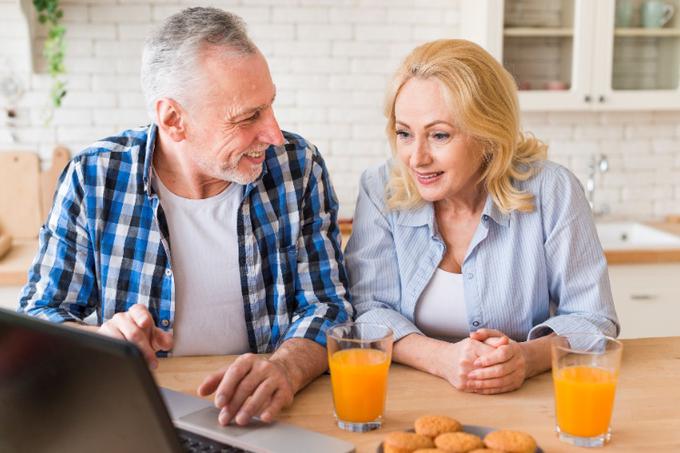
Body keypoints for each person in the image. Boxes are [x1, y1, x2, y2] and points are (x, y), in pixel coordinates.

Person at [18, 7, 352, 426]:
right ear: (173, 119)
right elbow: (38, 315)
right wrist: (103, 342)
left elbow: (328, 306)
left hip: (264, 415)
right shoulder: (94, 176)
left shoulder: (297, 166)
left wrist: (285, 367)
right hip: (138, 413)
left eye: (269, 106)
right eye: (248, 117)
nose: (274, 133)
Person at [344, 39, 619, 395]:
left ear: (488, 134)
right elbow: (366, 309)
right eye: (404, 134)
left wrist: (528, 357)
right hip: (406, 397)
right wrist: (440, 358)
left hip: (527, 398)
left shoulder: (553, 189)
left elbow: (593, 317)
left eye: (439, 135)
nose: (416, 158)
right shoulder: (380, 187)